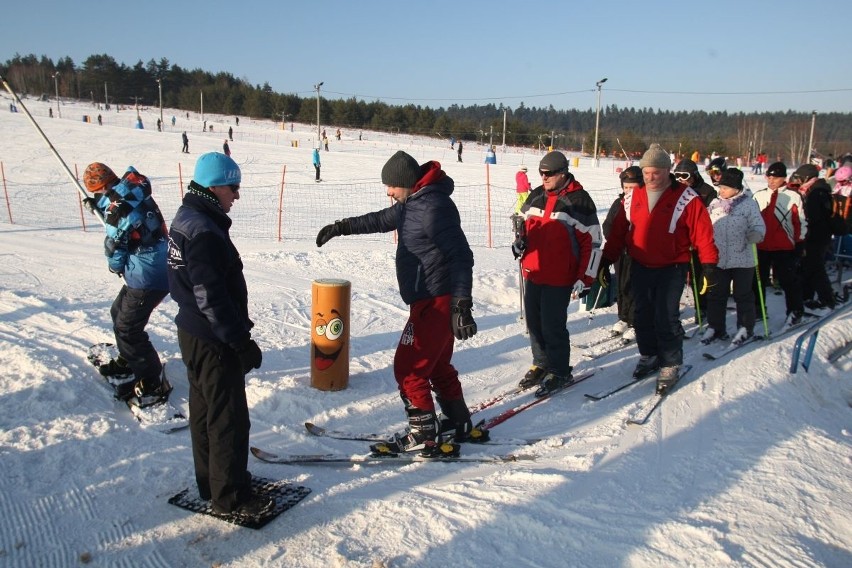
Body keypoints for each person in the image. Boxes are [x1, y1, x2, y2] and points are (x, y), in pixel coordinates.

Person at [315, 150, 478, 457]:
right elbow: (379, 220)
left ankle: (423, 434)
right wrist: (341, 227)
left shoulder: (434, 207)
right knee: (437, 364)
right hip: (428, 298)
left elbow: (461, 256)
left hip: (437, 299)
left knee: (409, 367)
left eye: (391, 185)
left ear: (407, 182)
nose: (387, 191)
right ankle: (457, 421)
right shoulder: (411, 204)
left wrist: (461, 305)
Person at [166, 152, 271, 517]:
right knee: (228, 417)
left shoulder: (187, 218)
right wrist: (238, 340)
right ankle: (231, 497)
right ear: (215, 186)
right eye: (234, 187)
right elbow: (209, 294)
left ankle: (212, 483)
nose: (237, 196)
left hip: (193, 333)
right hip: (212, 338)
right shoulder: (205, 231)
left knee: (205, 411)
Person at [600, 144, 718, 393]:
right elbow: (619, 233)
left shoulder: (687, 198)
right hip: (640, 264)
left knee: (666, 316)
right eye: (646, 173)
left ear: (668, 171)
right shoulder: (632, 198)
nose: (651, 178)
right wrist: (605, 260)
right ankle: (650, 354)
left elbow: (703, 234)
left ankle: (670, 361)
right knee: (641, 314)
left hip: (672, 266)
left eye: (656, 172)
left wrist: (709, 265)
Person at [81, 163, 171, 405]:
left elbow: (114, 248)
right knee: (118, 311)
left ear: (102, 188)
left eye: (97, 194)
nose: (98, 198)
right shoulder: (133, 188)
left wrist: (115, 266)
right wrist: (99, 205)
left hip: (149, 274)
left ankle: (151, 381)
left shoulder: (116, 214)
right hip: (151, 264)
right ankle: (128, 360)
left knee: (128, 329)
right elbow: (122, 204)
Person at [513, 151, 601, 394]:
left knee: (553, 325)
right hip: (534, 270)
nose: (544, 177)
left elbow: (592, 243)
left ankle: (560, 370)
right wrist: (519, 241)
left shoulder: (579, 200)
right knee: (534, 323)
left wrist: (586, 277)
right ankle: (541, 363)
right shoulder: (536, 195)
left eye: (549, 173)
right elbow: (524, 227)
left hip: (561, 275)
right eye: (541, 173)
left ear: (563, 173)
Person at [703, 169, 765, 345]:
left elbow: (759, 225)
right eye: (720, 186)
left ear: (736, 188)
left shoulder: (749, 204)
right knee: (716, 294)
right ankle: (715, 327)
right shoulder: (714, 204)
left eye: (725, 187)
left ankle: (745, 327)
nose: (721, 190)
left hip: (743, 258)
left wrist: (757, 234)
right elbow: (705, 225)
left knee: (742, 294)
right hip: (719, 258)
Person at [752, 162, 807, 325]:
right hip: (761, 246)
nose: (771, 180)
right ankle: (758, 309)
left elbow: (800, 222)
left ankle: (795, 311)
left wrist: (799, 243)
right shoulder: (759, 195)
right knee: (758, 280)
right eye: (769, 176)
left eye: (775, 177)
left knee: (788, 281)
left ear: (783, 178)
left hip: (784, 246)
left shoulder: (794, 196)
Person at [602, 166, 642, 340]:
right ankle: (623, 316)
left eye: (632, 187)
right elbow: (608, 224)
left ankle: (635, 321)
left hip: (639, 253)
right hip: (621, 252)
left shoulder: (645, 204)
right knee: (622, 285)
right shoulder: (619, 203)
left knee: (635, 286)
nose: (628, 191)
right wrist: (614, 240)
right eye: (626, 187)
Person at [673, 158, 717, 317]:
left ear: (694, 175)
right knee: (681, 277)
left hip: (699, 241)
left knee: (699, 274)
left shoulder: (706, 191)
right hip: (681, 242)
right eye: (677, 175)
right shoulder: (675, 190)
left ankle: (702, 306)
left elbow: (709, 217)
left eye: (685, 176)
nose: (681, 180)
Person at [791, 164, 836, 310]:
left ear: (807, 177)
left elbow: (813, 216)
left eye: (799, 177)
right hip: (815, 235)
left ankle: (827, 299)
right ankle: (807, 296)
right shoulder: (815, 189)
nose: (797, 180)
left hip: (817, 236)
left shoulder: (817, 192)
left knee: (815, 267)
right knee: (807, 267)